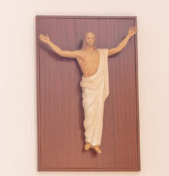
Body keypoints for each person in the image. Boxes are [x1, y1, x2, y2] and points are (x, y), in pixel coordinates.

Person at [38, 26, 137, 154]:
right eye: (88, 38)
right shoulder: (80, 53)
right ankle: (88, 141)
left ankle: (96, 143)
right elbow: (63, 52)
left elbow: (117, 49)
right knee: (89, 114)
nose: (90, 39)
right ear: (85, 40)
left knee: (99, 113)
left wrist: (129, 35)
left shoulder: (101, 53)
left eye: (92, 38)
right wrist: (49, 42)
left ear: (94, 40)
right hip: (89, 87)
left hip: (98, 86)